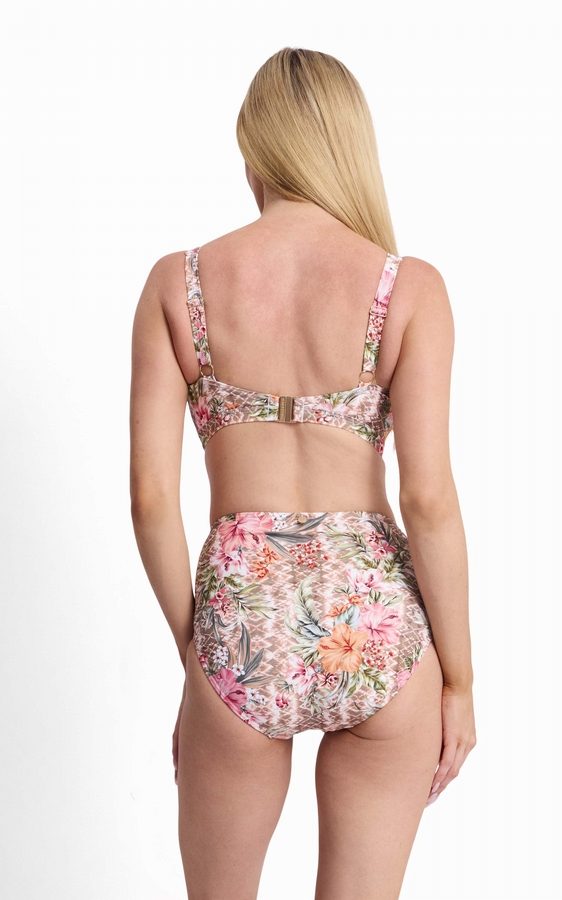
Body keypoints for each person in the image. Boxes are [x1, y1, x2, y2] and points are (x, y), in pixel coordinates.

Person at [130, 46, 475, 900]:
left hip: (241, 613)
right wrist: (460, 681)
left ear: (254, 147)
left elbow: (151, 498)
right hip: (377, 623)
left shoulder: (179, 284)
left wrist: (201, 652)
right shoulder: (408, 288)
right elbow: (428, 499)